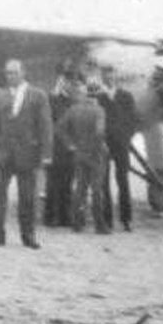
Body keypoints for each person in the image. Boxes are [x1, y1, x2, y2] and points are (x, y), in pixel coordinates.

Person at [0, 59, 53, 249]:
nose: (10, 76)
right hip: (5, 154)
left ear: (23, 73)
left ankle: (28, 236)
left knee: (27, 197)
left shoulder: (38, 96)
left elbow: (46, 126)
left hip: (28, 155)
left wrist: (47, 153)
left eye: (13, 72)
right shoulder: (1, 97)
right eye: (7, 73)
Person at [56, 83, 109, 233]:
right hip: (96, 154)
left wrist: (70, 144)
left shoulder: (74, 109)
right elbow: (99, 132)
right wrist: (100, 147)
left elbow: (59, 128)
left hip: (79, 152)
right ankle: (100, 224)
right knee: (97, 189)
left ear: (85, 94)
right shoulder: (99, 111)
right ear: (97, 95)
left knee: (80, 188)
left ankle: (77, 222)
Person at [97, 66, 138, 231]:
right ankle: (107, 219)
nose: (109, 78)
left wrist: (126, 138)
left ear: (116, 76)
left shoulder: (126, 96)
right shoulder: (98, 97)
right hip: (103, 144)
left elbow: (133, 121)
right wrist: (100, 141)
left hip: (121, 145)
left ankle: (126, 219)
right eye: (106, 75)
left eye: (112, 75)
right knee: (103, 182)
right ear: (102, 77)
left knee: (123, 180)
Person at [43, 59, 78, 228]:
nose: (67, 83)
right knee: (53, 183)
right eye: (64, 79)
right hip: (55, 148)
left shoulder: (73, 101)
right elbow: (50, 124)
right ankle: (50, 217)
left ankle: (65, 217)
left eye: (70, 80)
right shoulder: (51, 99)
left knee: (67, 182)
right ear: (59, 80)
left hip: (69, 150)